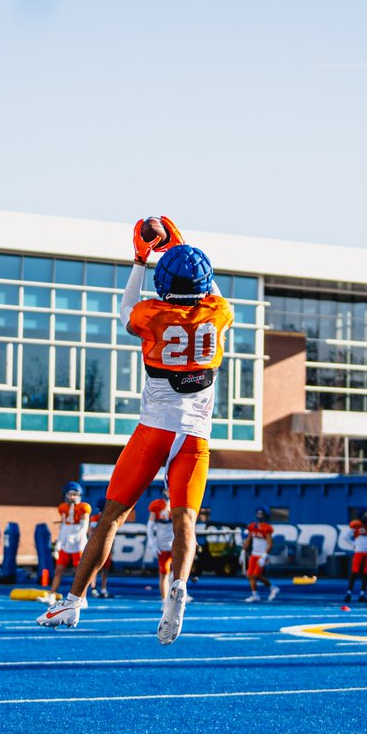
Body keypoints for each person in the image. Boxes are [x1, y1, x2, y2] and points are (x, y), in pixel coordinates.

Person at [37, 219, 233, 645]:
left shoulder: (152, 315)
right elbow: (212, 291)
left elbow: (126, 310)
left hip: (155, 430)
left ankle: (73, 601)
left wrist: (142, 259)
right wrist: (185, 250)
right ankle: (178, 589)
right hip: (196, 438)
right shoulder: (219, 314)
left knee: (112, 516)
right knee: (186, 523)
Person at [50, 481, 91, 601]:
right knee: (58, 569)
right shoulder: (63, 508)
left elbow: (84, 527)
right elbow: (63, 526)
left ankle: (82, 598)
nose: (73, 497)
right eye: (70, 494)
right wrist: (59, 543)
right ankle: (52, 594)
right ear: (65, 495)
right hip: (66, 542)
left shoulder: (84, 507)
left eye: (75, 494)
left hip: (78, 543)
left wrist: (75, 537)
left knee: (79, 572)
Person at [243, 506, 278, 602]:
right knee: (250, 575)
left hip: (261, 554)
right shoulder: (252, 526)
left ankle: (272, 587)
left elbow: (270, 544)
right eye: (258, 513)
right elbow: (248, 540)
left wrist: (264, 555)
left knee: (256, 575)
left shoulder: (267, 528)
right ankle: (255, 594)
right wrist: (243, 551)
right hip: (254, 554)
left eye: (261, 514)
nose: (259, 515)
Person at [146, 487, 175, 598]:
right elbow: (150, 526)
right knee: (164, 574)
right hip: (162, 544)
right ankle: (165, 600)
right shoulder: (157, 505)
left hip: (175, 543)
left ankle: (175, 598)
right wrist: (152, 543)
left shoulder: (177, 503)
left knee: (178, 574)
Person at [344, 509, 367, 603]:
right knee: (354, 572)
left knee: (366, 573)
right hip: (359, 550)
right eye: (366, 514)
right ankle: (349, 593)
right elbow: (345, 536)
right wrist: (354, 543)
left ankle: (362, 594)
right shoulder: (356, 524)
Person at [89, 498, 113, 598]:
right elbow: (92, 531)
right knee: (96, 568)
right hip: (99, 545)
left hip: (106, 545)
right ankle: (94, 588)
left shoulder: (109, 517)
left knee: (105, 569)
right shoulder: (96, 518)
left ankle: (102, 589)